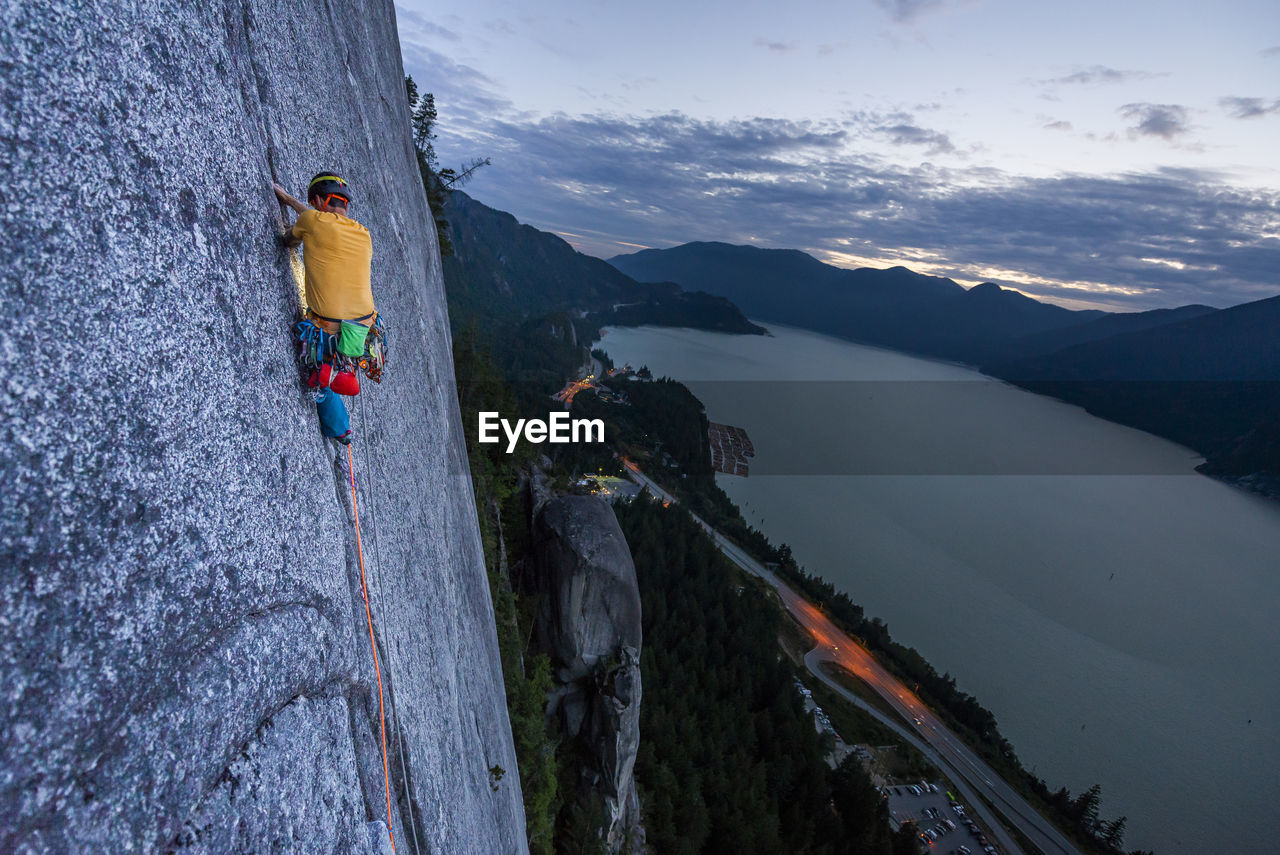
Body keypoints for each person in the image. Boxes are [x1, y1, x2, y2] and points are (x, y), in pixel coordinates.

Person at [273, 173, 377, 444]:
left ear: (318, 200)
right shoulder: (364, 235)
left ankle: (339, 425)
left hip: (327, 327)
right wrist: (290, 200)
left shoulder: (311, 221)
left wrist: (285, 202)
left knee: (318, 376)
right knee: (344, 353)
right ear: (345, 206)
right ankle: (344, 367)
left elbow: (290, 240)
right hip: (365, 326)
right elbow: (317, 221)